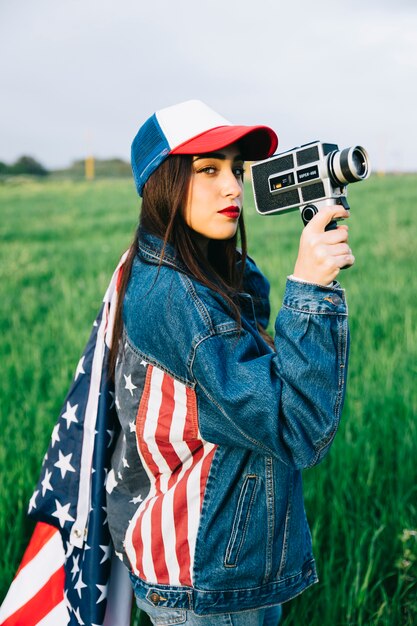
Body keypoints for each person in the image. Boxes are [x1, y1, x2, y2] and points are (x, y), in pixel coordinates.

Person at [105, 99, 353, 625]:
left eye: (236, 169)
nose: (233, 187)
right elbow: (294, 425)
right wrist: (310, 287)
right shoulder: (181, 302)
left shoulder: (167, 266)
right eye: (208, 170)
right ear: (162, 184)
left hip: (221, 560)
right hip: (208, 577)